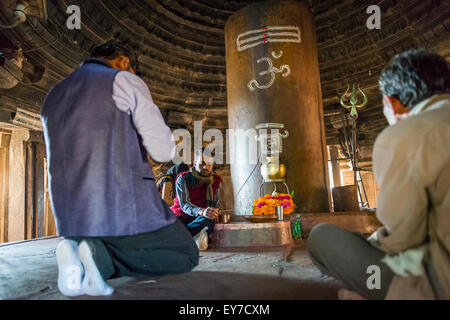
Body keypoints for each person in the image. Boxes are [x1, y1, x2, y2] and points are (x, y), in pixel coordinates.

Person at [41, 41, 199, 297]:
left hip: (72, 219)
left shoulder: (55, 93)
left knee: (107, 244)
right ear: (124, 62)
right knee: (186, 253)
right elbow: (162, 151)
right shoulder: (124, 80)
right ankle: (99, 261)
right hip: (122, 211)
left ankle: (83, 254)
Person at [307, 49, 450, 300]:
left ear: (392, 103)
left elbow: (403, 238)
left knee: (321, 237)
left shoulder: (403, 134)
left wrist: (368, 246)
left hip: (438, 287)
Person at [171, 148, 222, 240]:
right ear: (195, 163)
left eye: (209, 164)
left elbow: (216, 203)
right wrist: (201, 211)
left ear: (212, 164)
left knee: (209, 221)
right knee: (172, 224)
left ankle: (180, 237)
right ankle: (187, 237)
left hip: (200, 218)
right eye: (201, 163)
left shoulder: (216, 180)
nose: (205, 167)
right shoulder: (183, 178)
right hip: (181, 216)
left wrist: (214, 212)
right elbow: (184, 204)